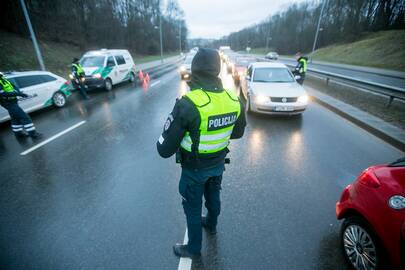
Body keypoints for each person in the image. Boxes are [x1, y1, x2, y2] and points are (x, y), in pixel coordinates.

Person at [156, 48, 246, 259]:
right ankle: (212, 224)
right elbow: (238, 133)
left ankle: (193, 249)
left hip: (194, 169)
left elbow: (164, 149)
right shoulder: (234, 100)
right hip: (218, 164)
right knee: (214, 195)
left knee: (193, 208)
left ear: (194, 70)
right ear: (217, 69)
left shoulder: (189, 103)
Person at [0, 72, 42, 139]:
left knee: (15, 119)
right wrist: (19, 94)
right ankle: (33, 134)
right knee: (25, 117)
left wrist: (18, 93)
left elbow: (13, 87)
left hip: (13, 101)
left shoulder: (4, 80)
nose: (3, 76)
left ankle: (19, 135)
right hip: (8, 103)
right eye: (2, 75)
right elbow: (3, 94)